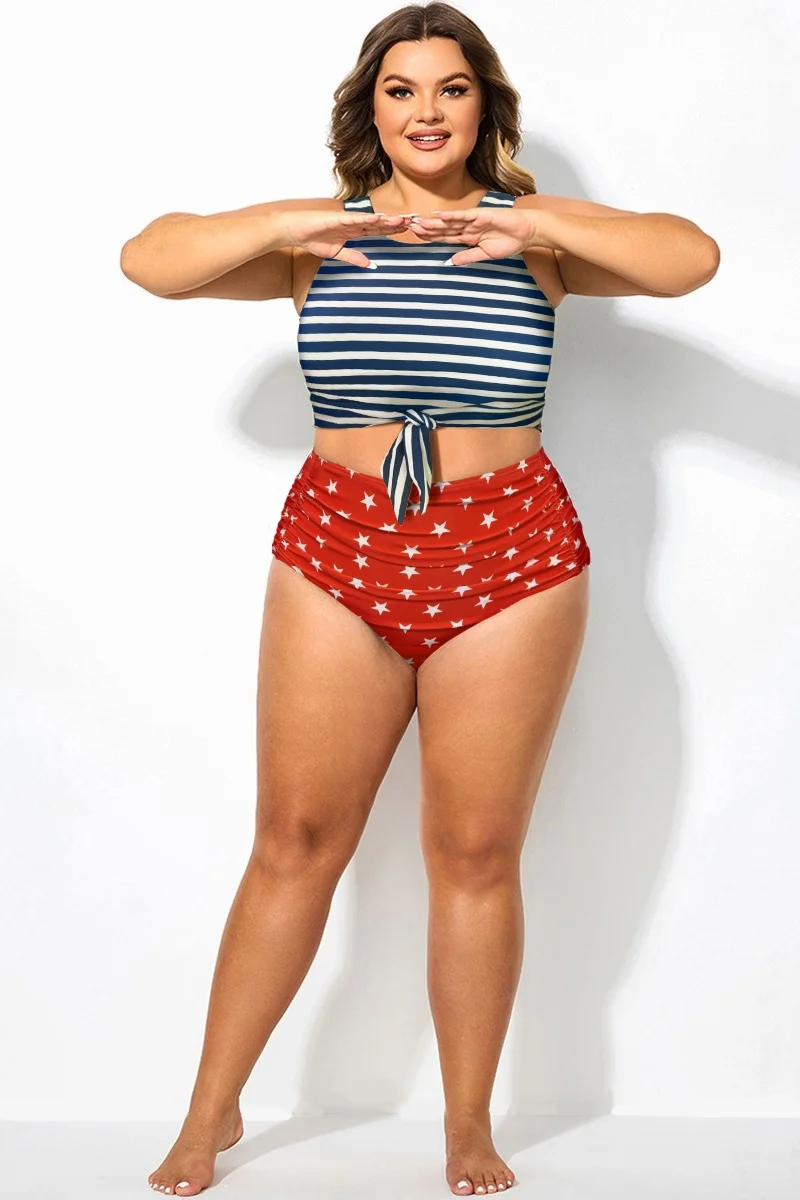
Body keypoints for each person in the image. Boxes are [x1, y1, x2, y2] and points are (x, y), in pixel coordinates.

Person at [120, 5, 719, 1196]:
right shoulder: (318, 245)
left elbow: (688, 257)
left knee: (475, 849)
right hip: (337, 550)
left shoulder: (534, 242)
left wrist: (529, 220)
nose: (426, 111)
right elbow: (151, 260)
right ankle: (211, 1106)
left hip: (509, 556)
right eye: (400, 90)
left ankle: (465, 1125)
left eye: (451, 88)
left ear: (483, 106)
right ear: (371, 108)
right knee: (294, 841)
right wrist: (304, 217)